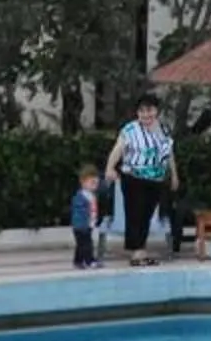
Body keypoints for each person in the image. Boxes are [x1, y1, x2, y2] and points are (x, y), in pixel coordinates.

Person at [104, 95, 180, 265]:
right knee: (135, 213)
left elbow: (169, 154)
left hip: (156, 179)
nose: (146, 115)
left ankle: (141, 251)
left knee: (147, 214)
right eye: (142, 111)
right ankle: (136, 253)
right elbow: (118, 149)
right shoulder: (130, 130)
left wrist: (174, 174)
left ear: (156, 111)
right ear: (138, 113)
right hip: (134, 177)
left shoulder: (164, 129)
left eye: (150, 110)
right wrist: (110, 167)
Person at [70, 167, 103, 270]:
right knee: (87, 244)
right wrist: (86, 221)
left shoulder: (92, 195)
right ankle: (89, 261)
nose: (95, 186)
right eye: (92, 183)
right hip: (81, 225)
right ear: (83, 182)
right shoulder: (80, 196)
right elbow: (80, 212)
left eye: (96, 184)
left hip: (88, 224)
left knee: (81, 244)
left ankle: (78, 261)